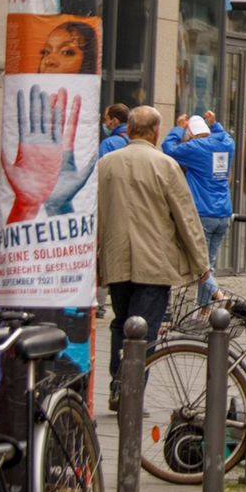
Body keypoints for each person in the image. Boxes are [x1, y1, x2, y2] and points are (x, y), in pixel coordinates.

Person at [97, 106, 211, 412]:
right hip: (154, 263)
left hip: (116, 258)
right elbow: (186, 217)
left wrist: (95, 262)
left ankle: (117, 382)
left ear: (130, 129)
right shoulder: (166, 165)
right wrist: (201, 264)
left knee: (121, 323)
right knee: (145, 331)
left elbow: (94, 215)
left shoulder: (106, 164)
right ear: (156, 132)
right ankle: (130, 391)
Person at [162, 112, 236, 307]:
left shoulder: (196, 148)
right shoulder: (227, 143)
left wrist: (178, 128)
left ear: (192, 134)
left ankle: (220, 297)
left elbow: (168, 149)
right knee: (208, 263)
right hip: (223, 213)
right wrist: (215, 123)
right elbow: (224, 135)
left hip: (203, 212)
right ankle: (204, 312)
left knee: (199, 265)